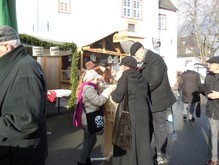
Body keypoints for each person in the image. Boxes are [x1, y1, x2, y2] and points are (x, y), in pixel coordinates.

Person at [0, 25, 48, 165]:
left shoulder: (25, 69)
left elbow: (26, 122)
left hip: (20, 155)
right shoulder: (14, 66)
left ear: (7, 47)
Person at [130, 42, 176, 165]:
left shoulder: (155, 59)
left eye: (135, 55)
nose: (136, 58)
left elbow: (154, 81)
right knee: (151, 127)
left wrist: (139, 91)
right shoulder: (145, 61)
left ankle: (161, 154)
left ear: (141, 50)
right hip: (151, 99)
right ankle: (148, 152)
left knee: (159, 128)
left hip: (159, 100)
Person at [111, 56, 153, 165]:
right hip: (144, 114)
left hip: (130, 114)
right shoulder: (142, 77)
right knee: (143, 143)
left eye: (122, 66)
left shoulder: (124, 77)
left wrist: (112, 91)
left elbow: (117, 97)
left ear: (125, 66)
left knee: (129, 143)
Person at [73, 69, 114, 165]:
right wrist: (107, 92)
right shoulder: (88, 88)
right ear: (91, 79)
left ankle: (86, 159)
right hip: (88, 119)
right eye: (96, 79)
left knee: (92, 140)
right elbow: (98, 101)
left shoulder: (90, 87)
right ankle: (82, 162)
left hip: (88, 118)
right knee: (88, 142)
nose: (98, 80)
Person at [203, 56, 219, 165]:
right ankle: (213, 158)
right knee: (213, 135)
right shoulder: (208, 76)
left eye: (211, 63)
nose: (208, 65)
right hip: (212, 110)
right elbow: (205, 89)